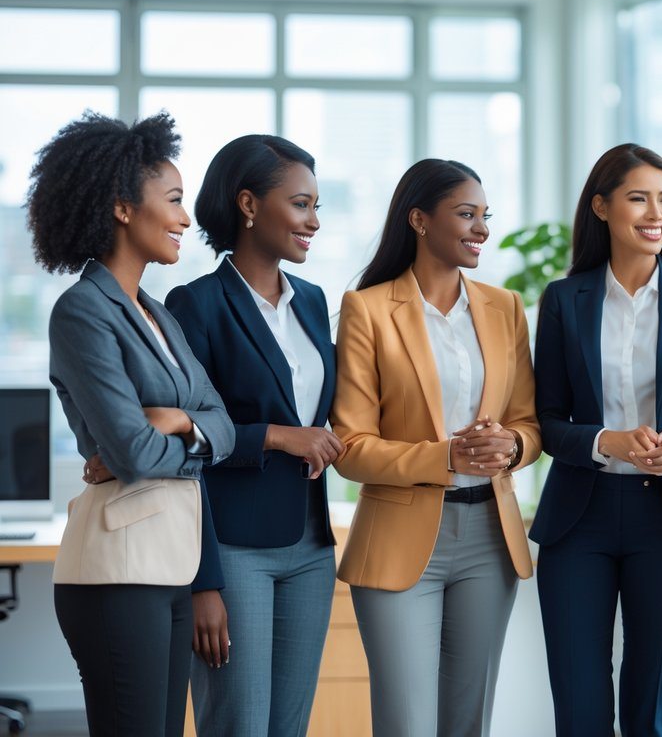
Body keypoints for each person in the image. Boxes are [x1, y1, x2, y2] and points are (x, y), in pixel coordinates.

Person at [26, 111, 234, 736]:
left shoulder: (158, 314)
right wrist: (183, 438)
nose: (185, 219)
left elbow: (220, 421)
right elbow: (136, 453)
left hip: (170, 562)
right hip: (118, 571)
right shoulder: (83, 311)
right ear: (122, 208)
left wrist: (178, 422)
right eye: (172, 201)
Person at [330, 158, 541, 737]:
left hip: (489, 539)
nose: (481, 230)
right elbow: (348, 446)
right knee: (406, 724)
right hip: (399, 538)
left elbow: (528, 423)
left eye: (485, 216)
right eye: (466, 214)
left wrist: (512, 444)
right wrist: (446, 456)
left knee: (467, 723)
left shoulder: (506, 308)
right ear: (419, 220)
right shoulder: (368, 309)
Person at [531, 143, 662, 737]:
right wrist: (606, 442)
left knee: (652, 699)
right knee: (580, 701)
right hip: (578, 520)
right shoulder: (564, 300)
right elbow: (548, 421)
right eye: (639, 197)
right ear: (601, 207)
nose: (656, 212)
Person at [162, 134, 340, 736]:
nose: (313, 221)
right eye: (300, 204)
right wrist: (203, 583)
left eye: (317, 206)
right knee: (238, 723)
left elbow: (326, 410)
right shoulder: (196, 305)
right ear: (248, 204)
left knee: (288, 727)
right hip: (233, 549)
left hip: (311, 545)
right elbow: (183, 442)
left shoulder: (312, 303)